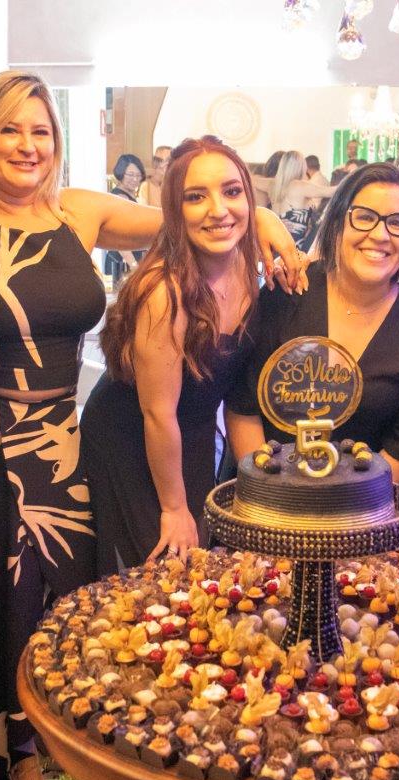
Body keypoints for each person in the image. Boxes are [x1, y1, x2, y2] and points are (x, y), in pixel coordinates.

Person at [0, 68, 304, 780]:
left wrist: (266, 219)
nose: (27, 145)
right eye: (10, 129)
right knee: (0, 596)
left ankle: (60, 734)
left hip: (63, 434)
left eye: (41, 131)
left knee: (68, 595)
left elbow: (188, 213)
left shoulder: (78, 211)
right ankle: (12, 753)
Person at [228, 163, 399, 489]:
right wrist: (271, 492)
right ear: (338, 221)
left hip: (366, 507)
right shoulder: (286, 294)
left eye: (397, 222)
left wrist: (342, 506)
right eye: (365, 217)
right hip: (264, 500)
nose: (380, 235)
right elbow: (243, 407)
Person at [82, 136, 258, 569]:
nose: (218, 209)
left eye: (231, 191)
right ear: (174, 211)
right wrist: (173, 508)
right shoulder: (164, 291)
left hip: (193, 432)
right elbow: (158, 414)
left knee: (198, 568)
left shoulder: (248, 271)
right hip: (134, 438)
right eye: (196, 197)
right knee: (161, 566)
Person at [265, 151, 336, 252]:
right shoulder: (299, 186)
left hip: (277, 248)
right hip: (296, 251)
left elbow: (253, 180)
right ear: (301, 167)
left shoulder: (274, 186)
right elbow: (331, 192)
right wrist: (354, 177)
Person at [104, 153, 147, 285]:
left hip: (130, 261)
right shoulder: (120, 198)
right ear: (121, 173)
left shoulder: (129, 196)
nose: (135, 179)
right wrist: (134, 266)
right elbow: (119, 237)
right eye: (130, 174)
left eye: (138, 175)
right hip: (121, 263)